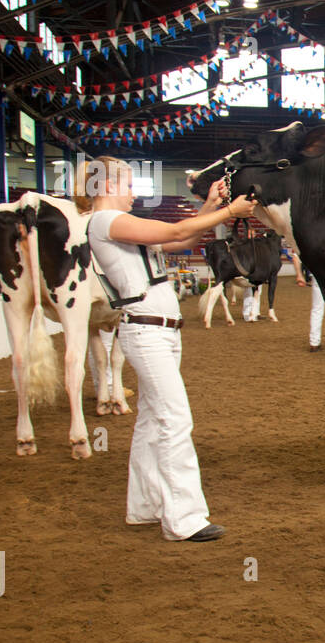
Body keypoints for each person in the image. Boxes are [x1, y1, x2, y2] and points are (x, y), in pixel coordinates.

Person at [86, 156, 257, 542]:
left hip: (160, 331)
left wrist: (211, 207)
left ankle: (144, 507)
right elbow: (176, 230)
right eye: (129, 185)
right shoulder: (104, 221)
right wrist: (228, 210)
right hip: (147, 331)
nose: (133, 194)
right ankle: (184, 519)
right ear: (107, 185)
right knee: (174, 419)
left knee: (152, 420)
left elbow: (183, 239)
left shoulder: (117, 225)